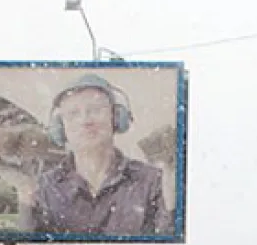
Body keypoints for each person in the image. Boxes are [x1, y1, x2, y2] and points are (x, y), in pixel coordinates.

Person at [20, 73, 171, 235]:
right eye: (73, 114)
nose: (85, 121)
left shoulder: (153, 181)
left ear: (116, 117)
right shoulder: (44, 187)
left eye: (95, 110)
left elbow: (166, 243)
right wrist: (25, 202)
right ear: (60, 127)